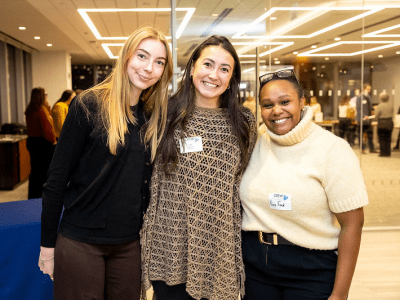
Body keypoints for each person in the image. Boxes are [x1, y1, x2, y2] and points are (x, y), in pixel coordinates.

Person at [38, 27, 172, 300]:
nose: (149, 68)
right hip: (80, 242)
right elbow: (55, 182)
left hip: (129, 245)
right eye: (142, 56)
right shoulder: (88, 105)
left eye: (159, 62)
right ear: (125, 58)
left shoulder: (151, 116)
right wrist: (47, 247)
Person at [141, 35, 257, 300]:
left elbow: (245, 183)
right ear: (192, 68)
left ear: (231, 79)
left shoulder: (244, 123)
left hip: (219, 254)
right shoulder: (162, 115)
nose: (214, 75)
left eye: (224, 69)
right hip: (169, 249)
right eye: (208, 64)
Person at [240, 68, 369, 300]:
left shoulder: (333, 149)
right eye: (267, 105)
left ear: (302, 102)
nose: (277, 110)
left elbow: (353, 224)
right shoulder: (255, 142)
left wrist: (340, 295)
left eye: (285, 101)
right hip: (256, 268)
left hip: (312, 270)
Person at [25, 87, 57, 199]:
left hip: (32, 142)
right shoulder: (41, 110)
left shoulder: (30, 109)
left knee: (35, 171)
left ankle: (34, 195)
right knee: (43, 172)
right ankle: (41, 196)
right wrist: (54, 141)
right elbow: (47, 129)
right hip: (42, 144)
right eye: (45, 94)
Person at [356, 83, 377, 153]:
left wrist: (374, 109)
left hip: (368, 119)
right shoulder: (359, 98)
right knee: (360, 135)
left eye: (370, 89)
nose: (369, 90)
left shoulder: (369, 97)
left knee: (370, 134)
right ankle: (362, 149)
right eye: (368, 89)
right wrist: (363, 116)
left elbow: (370, 107)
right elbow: (359, 109)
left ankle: (372, 148)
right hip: (361, 119)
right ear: (364, 89)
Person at [375, 91, 394, 157]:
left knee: (382, 138)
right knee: (388, 138)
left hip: (382, 123)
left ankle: (383, 153)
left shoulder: (380, 106)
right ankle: (388, 152)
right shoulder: (391, 105)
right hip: (389, 122)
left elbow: (376, 115)